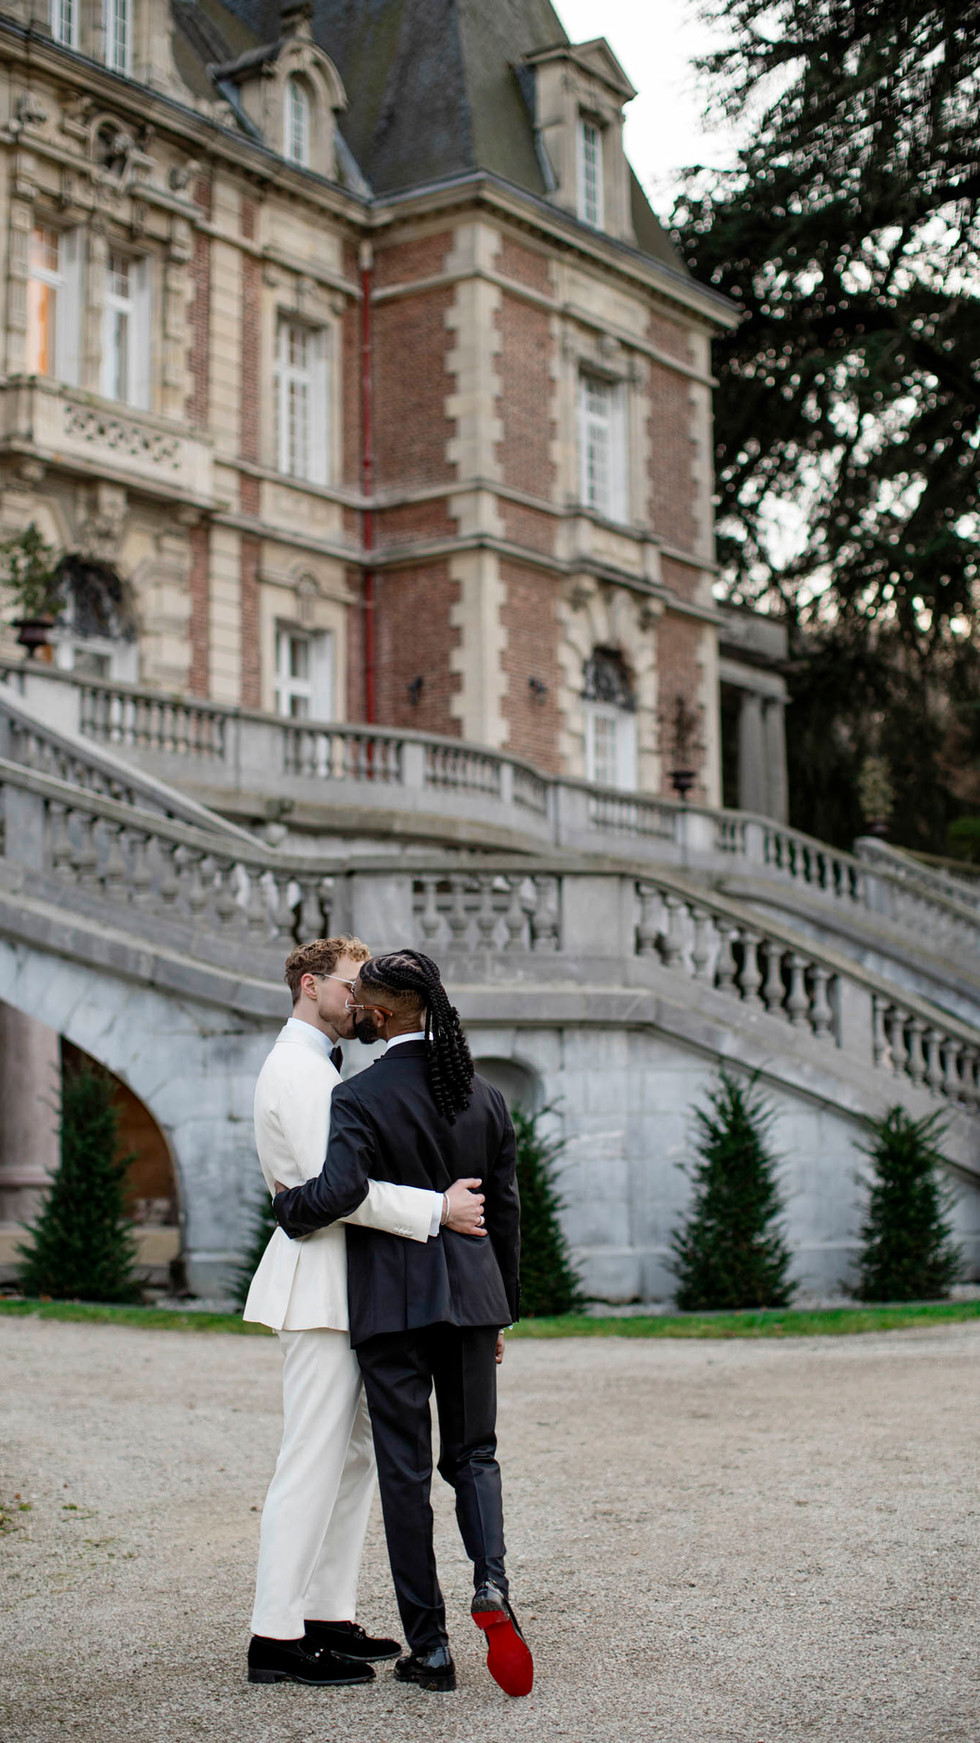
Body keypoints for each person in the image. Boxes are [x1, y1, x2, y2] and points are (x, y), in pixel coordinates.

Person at [273, 947, 532, 1698]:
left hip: (393, 1307)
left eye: (363, 1002)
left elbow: (342, 1188)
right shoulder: (484, 1097)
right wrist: (502, 1311)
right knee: (476, 1456)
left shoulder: (359, 1094)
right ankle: (492, 1584)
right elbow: (507, 1216)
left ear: (380, 1016)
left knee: (405, 1473)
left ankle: (433, 1649)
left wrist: (289, 1204)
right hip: (476, 1302)